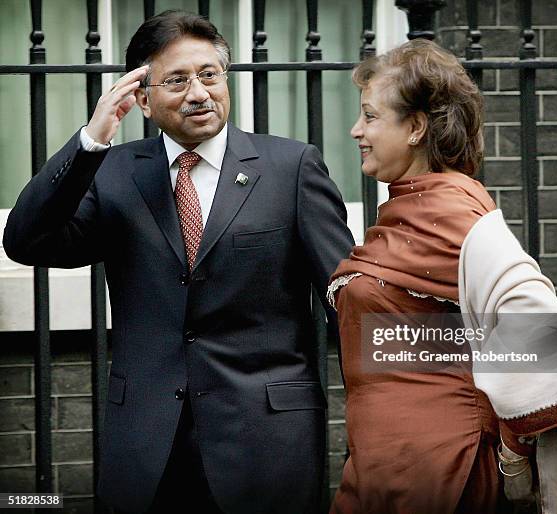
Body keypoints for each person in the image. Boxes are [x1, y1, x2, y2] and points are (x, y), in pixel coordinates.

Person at [3, 10, 354, 514]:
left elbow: (345, 297)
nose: (199, 93)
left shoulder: (291, 167)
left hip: (267, 441)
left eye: (209, 75)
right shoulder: (114, 173)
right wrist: (90, 141)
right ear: (141, 99)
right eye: (177, 80)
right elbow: (26, 241)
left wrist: (378, 409)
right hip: (147, 445)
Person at [327, 39, 557, 514]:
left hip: (438, 466)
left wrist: (514, 450)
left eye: (370, 116)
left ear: (415, 127)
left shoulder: (452, 207)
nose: (357, 130)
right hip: (385, 460)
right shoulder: (413, 203)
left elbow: (537, 319)